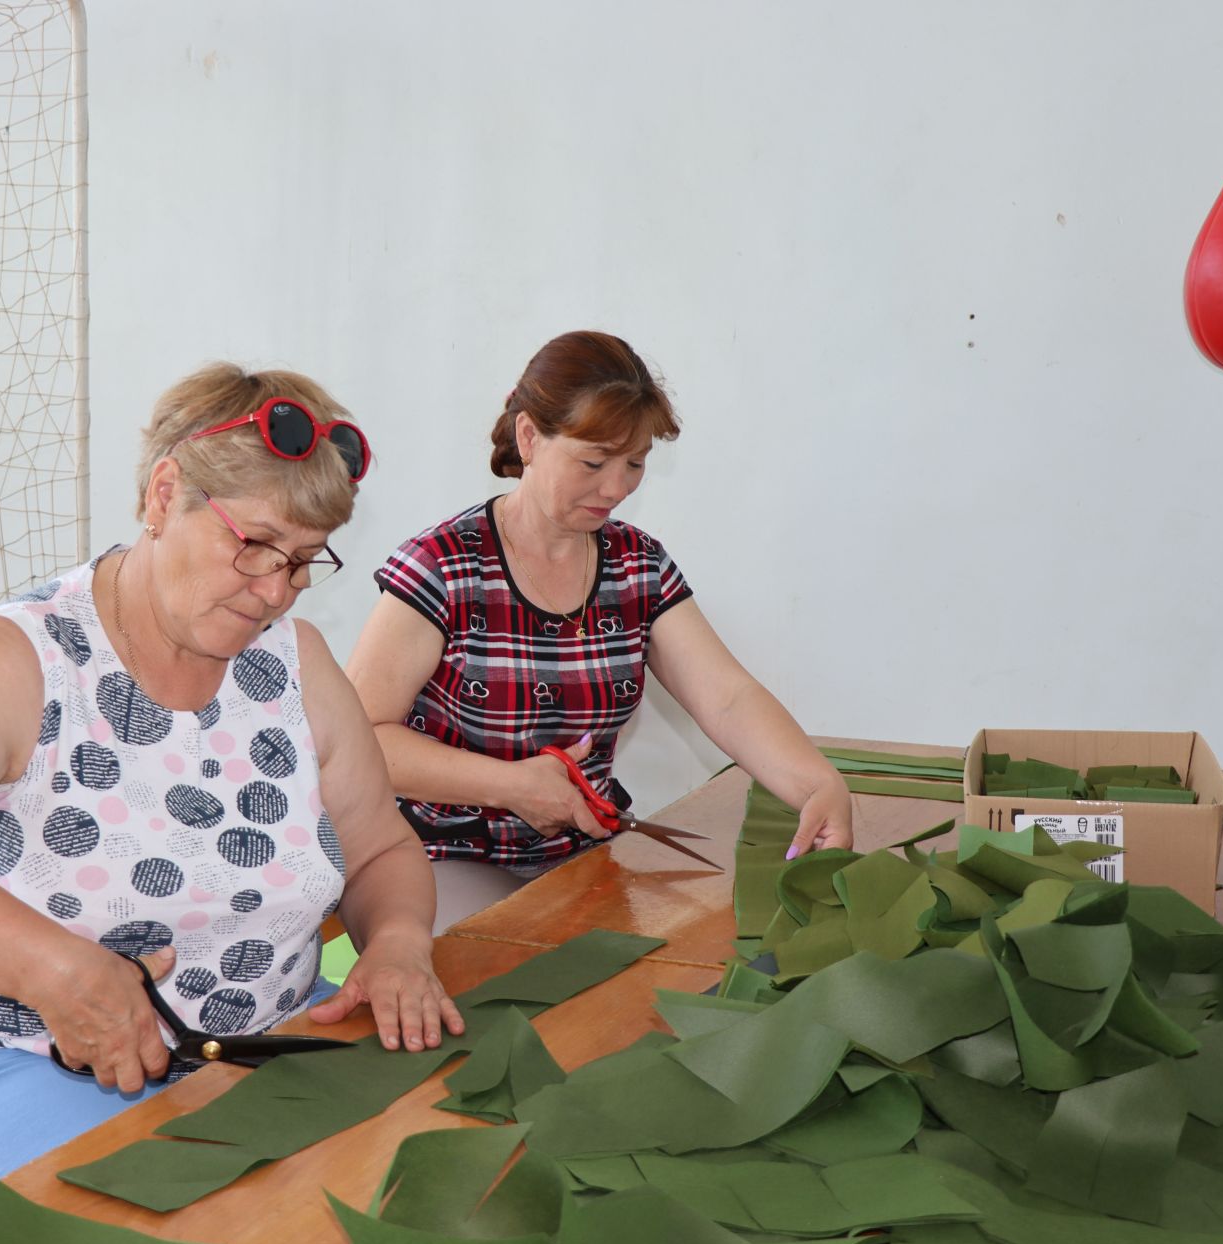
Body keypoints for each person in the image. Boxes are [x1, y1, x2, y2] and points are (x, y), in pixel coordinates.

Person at [0, 363, 463, 1175]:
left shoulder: (295, 666)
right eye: (254, 548)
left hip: (259, 1047)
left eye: (304, 561)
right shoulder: (25, 661)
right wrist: (57, 973)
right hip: (26, 1060)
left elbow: (379, 851)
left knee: (442, 1166)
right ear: (164, 495)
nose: (276, 591)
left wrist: (396, 943)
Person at [345, 331, 853, 930]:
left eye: (635, 463)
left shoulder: (637, 565)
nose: (615, 488)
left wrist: (819, 784)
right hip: (437, 852)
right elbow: (359, 740)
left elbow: (727, 698)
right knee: (502, 974)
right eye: (593, 461)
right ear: (529, 437)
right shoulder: (445, 565)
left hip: (579, 851)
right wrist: (509, 786)